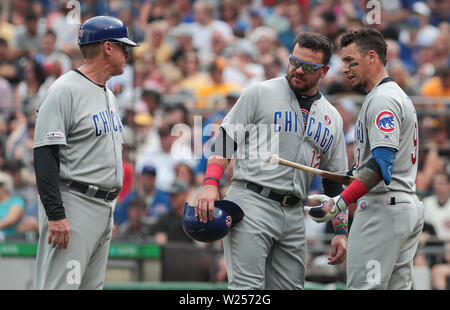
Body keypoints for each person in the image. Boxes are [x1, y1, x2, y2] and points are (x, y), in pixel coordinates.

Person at [195, 32, 349, 290]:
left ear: (324, 71)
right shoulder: (260, 92)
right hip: (251, 200)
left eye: (308, 67)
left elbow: (334, 182)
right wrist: (210, 183)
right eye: (294, 62)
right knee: (247, 290)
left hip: (294, 212)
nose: (298, 70)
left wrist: (341, 232)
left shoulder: (332, 117)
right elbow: (226, 139)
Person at [305, 28, 424, 290]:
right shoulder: (390, 95)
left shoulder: (383, 99)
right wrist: (348, 179)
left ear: (372, 57)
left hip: (383, 209)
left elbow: (382, 163)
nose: (344, 68)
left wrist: (339, 202)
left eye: (350, 61)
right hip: (401, 205)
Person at [33, 16, 139, 290]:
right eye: (122, 46)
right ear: (107, 47)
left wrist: (107, 212)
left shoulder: (108, 93)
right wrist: (56, 215)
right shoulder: (64, 90)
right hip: (73, 205)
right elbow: (44, 156)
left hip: (102, 208)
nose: (127, 53)